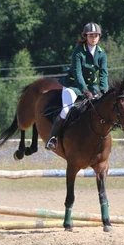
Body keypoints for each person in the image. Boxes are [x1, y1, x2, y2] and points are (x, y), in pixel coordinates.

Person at [45, 22, 109, 151]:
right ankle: (53, 138)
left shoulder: (101, 53)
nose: (93, 38)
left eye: (96, 35)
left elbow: (103, 72)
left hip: (92, 87)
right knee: (66, 110)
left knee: (100, 110)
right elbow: (78, 73)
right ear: (85, 36)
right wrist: (84, 90)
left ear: (99, 36)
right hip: (73, 86)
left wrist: (104, 89)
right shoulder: (79, 51)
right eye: (91, 35)